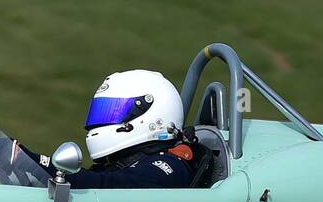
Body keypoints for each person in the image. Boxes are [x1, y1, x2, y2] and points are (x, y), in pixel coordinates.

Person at [17, 70, 204, 188]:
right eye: (101, 111)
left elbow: (101, 187)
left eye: (113, 112)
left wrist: (30, 160)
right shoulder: (123, 163)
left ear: (152, 116)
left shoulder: (167, 168)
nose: (102, 121)